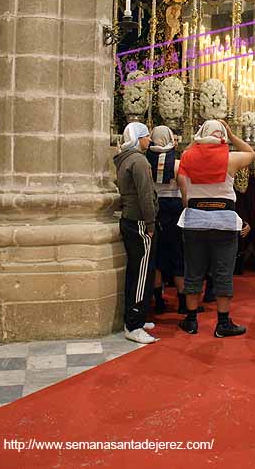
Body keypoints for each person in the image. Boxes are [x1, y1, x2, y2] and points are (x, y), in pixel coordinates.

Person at [176, 119, 255, 337]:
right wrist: (231, 135)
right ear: (222, 136)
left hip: (194, 221)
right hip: (224, 222)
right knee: (223, 271)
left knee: (193, 271)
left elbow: (184, 181)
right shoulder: (230, 158)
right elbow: (251, 153)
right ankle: (222, 323)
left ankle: (191, 321)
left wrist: (196, 141)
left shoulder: (187, 156)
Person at [146, 125, 201, 315]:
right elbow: (185, 194)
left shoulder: (146, 161)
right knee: (178, 256)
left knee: (158, 256)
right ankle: (183, 302)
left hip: (156, 209)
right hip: (175, 209)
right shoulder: (177, 163)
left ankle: (159, 300)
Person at [114, 122, 160, 344]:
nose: (149, 140)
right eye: (146, 137)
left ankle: (136, 317)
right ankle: (134, 324)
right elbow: (145, 195)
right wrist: (150, 224)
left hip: (130, 219)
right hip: (140, 222)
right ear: (139, 138)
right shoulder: (139, 160)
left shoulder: (124, 158)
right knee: (142, 273)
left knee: (136, 271)